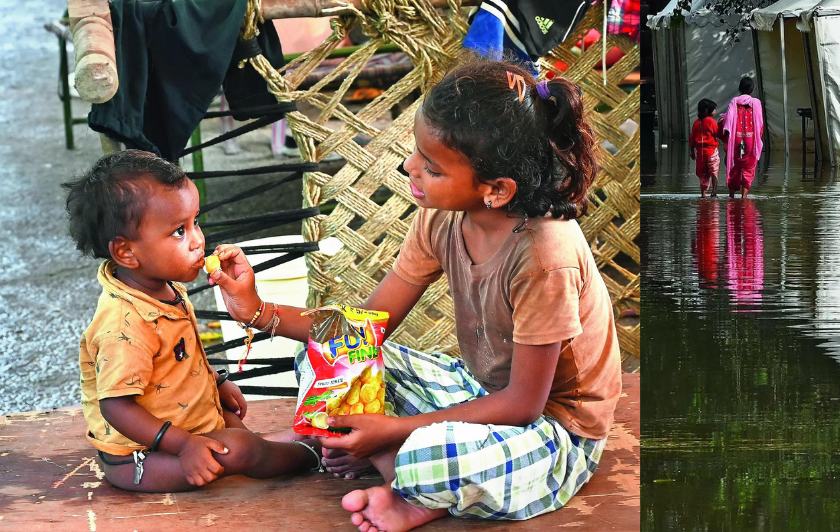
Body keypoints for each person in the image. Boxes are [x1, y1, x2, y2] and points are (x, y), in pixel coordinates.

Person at [213, 60, 622, 531]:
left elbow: (524, 405)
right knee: (327, 354)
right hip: (477, 392)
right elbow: (362, 327)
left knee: (428, 458)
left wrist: (392, 431)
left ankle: (395, 472)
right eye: (416, 153)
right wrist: (256, 309)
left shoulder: (546, 256)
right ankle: (387, 465)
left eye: (431, 167)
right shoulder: (441, 217)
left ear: (495, 190)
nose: (410, 168)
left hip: (554, 432)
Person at [64, 150, 324, 492]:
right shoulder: (123, 325)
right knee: (241, 450)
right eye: (178, 231)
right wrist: (185, 446)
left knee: (236, 432)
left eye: (195, 222)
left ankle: (276, 447)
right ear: (126, 252)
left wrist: (216, 382)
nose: (198, 241)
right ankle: (311, 456)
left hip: (189, 423)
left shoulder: (162, 288)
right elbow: (115, 406)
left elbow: (179, 355)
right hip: (141, 456)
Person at [721, 76, 765, 199]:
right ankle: (744, 197)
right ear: (752, 89)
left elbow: (728, 121)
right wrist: (758, 137)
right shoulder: (756, 103)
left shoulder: (734, 101)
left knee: (735, 166)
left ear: (740, 88)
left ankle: (731, 195)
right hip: (750, 140)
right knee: (749, 167)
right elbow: (760, 123)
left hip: (736, 140)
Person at [690, 98, 721, 197]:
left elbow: (692, 139)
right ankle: (714, 192)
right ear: (708, 110)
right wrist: (721, 124)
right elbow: (718, 133)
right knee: (714, 172)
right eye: (714, 109)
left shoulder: (696, 123)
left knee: (703, 174)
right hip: (711, 151)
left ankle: (703, 194)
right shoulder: (711, 121)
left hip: (700, 153)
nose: (715, 111)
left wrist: (692, 151)